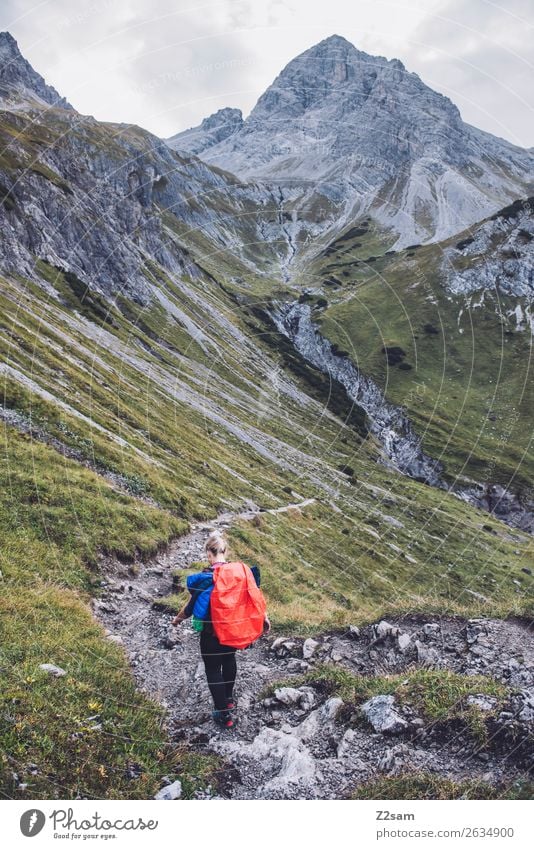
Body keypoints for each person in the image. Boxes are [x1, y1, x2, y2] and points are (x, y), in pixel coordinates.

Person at [172, 530, 270, 729]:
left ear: (209, 553)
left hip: (211, 633)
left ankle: (223, 713)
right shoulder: (240, 574)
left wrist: (177, 620)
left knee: (213, 669)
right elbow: (254, 597)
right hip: (232, 629)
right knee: (229, 659)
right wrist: (264, 618)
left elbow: (191, 607)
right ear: (225, 551)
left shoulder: (207, 577)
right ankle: (228, 698)